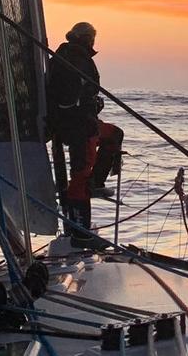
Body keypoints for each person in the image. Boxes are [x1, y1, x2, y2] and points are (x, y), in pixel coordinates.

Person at [46, 22, 123, 249]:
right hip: (80, 127)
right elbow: (70, 98)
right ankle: (81, 235)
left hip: (74, 123)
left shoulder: (62, 57)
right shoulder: (76, 60)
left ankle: (96, 182)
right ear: (87, 39)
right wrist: (89, 106)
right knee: (79, 177)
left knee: (114, 135)